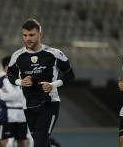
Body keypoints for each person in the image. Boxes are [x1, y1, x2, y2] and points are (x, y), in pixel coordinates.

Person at [7, 18, 75, 147]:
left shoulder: (54, 53)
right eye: (25, 35)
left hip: (49, 103)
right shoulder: (17, 55)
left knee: (38, 143)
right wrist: (20, 82)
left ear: (40, 34)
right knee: (43, 143)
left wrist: (52, 85)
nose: (28, 38)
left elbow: (70, 75)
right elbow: (10, 75)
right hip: (28, 105)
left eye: (31, 35)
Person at [0, 56, 27, 147]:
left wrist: (9, 95)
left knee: (22, 142)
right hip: (6, 115)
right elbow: (2, 97)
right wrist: (19, 96)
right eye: (9, 65)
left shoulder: (23, 80)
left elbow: (26, 96)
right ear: (4, 68)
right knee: (3, 141)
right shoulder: (0, 81)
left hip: (22, 115)